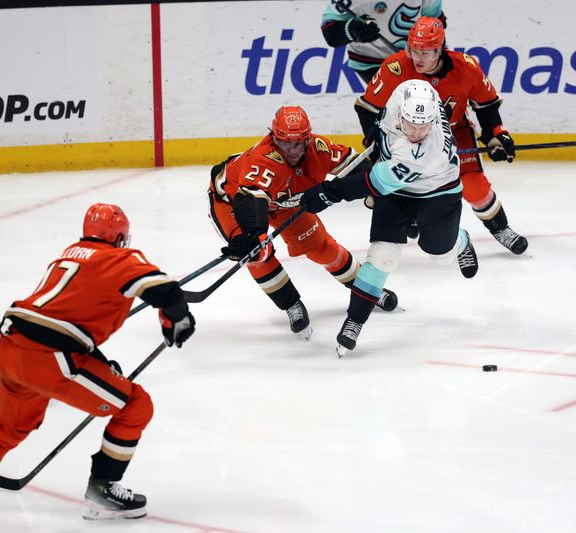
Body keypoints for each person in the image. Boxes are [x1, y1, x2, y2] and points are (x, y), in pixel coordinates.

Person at [0, 203, 196, 520]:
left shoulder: (69, 253)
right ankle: (103, 489)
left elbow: (62, 316)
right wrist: (178, 320)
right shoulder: (120, 257)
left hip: (12, 345)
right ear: (120, 236)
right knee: (135, 406)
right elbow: (167, 291)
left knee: (10, 426)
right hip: (51, 357)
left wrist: (98, 361)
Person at [297, 79, 478, 356]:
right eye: (411, 124)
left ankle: (460, 241)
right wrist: (378, 133)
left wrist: (328, 192)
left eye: (423, 126)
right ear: (402, 112)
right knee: (383, 255)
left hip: (438, 193)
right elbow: (381, 116)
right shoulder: (411, 92)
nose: (417, 132)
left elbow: (371, 183)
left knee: (439, 252)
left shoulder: (422, 153)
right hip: (398, 195)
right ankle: (354, 321)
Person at [208, 105, 398, 340]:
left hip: (282, 202)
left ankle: (365, 290)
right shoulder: (264, 159)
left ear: (308, 138)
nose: (292, 150)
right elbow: (250, 202)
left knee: (322, 248)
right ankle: (291, 304)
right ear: (274, 137)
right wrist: (251, 235)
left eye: (298, 143)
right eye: (285, 142)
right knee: (258, 251)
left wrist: (376, 193)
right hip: (232, 202)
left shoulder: (320, 149)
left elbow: (358, 167)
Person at [354, 16, 528, 254]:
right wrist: (376, 143)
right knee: (406, 185)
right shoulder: (395, 68)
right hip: (408, 135)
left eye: (425, 52)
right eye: (413, 50)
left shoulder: (466, 67)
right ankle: (413, 217)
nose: (417, 58)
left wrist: (496, 135)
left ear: (440, 50)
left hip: (453, 133)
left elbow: (486, 107)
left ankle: (500, 228)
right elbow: (366, 107)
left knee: (474, 186)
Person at [321, 1, 446, 83]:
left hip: (415, 59)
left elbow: (435, 23)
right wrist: (354, 29)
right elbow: (331, 34)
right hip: (371, 61)